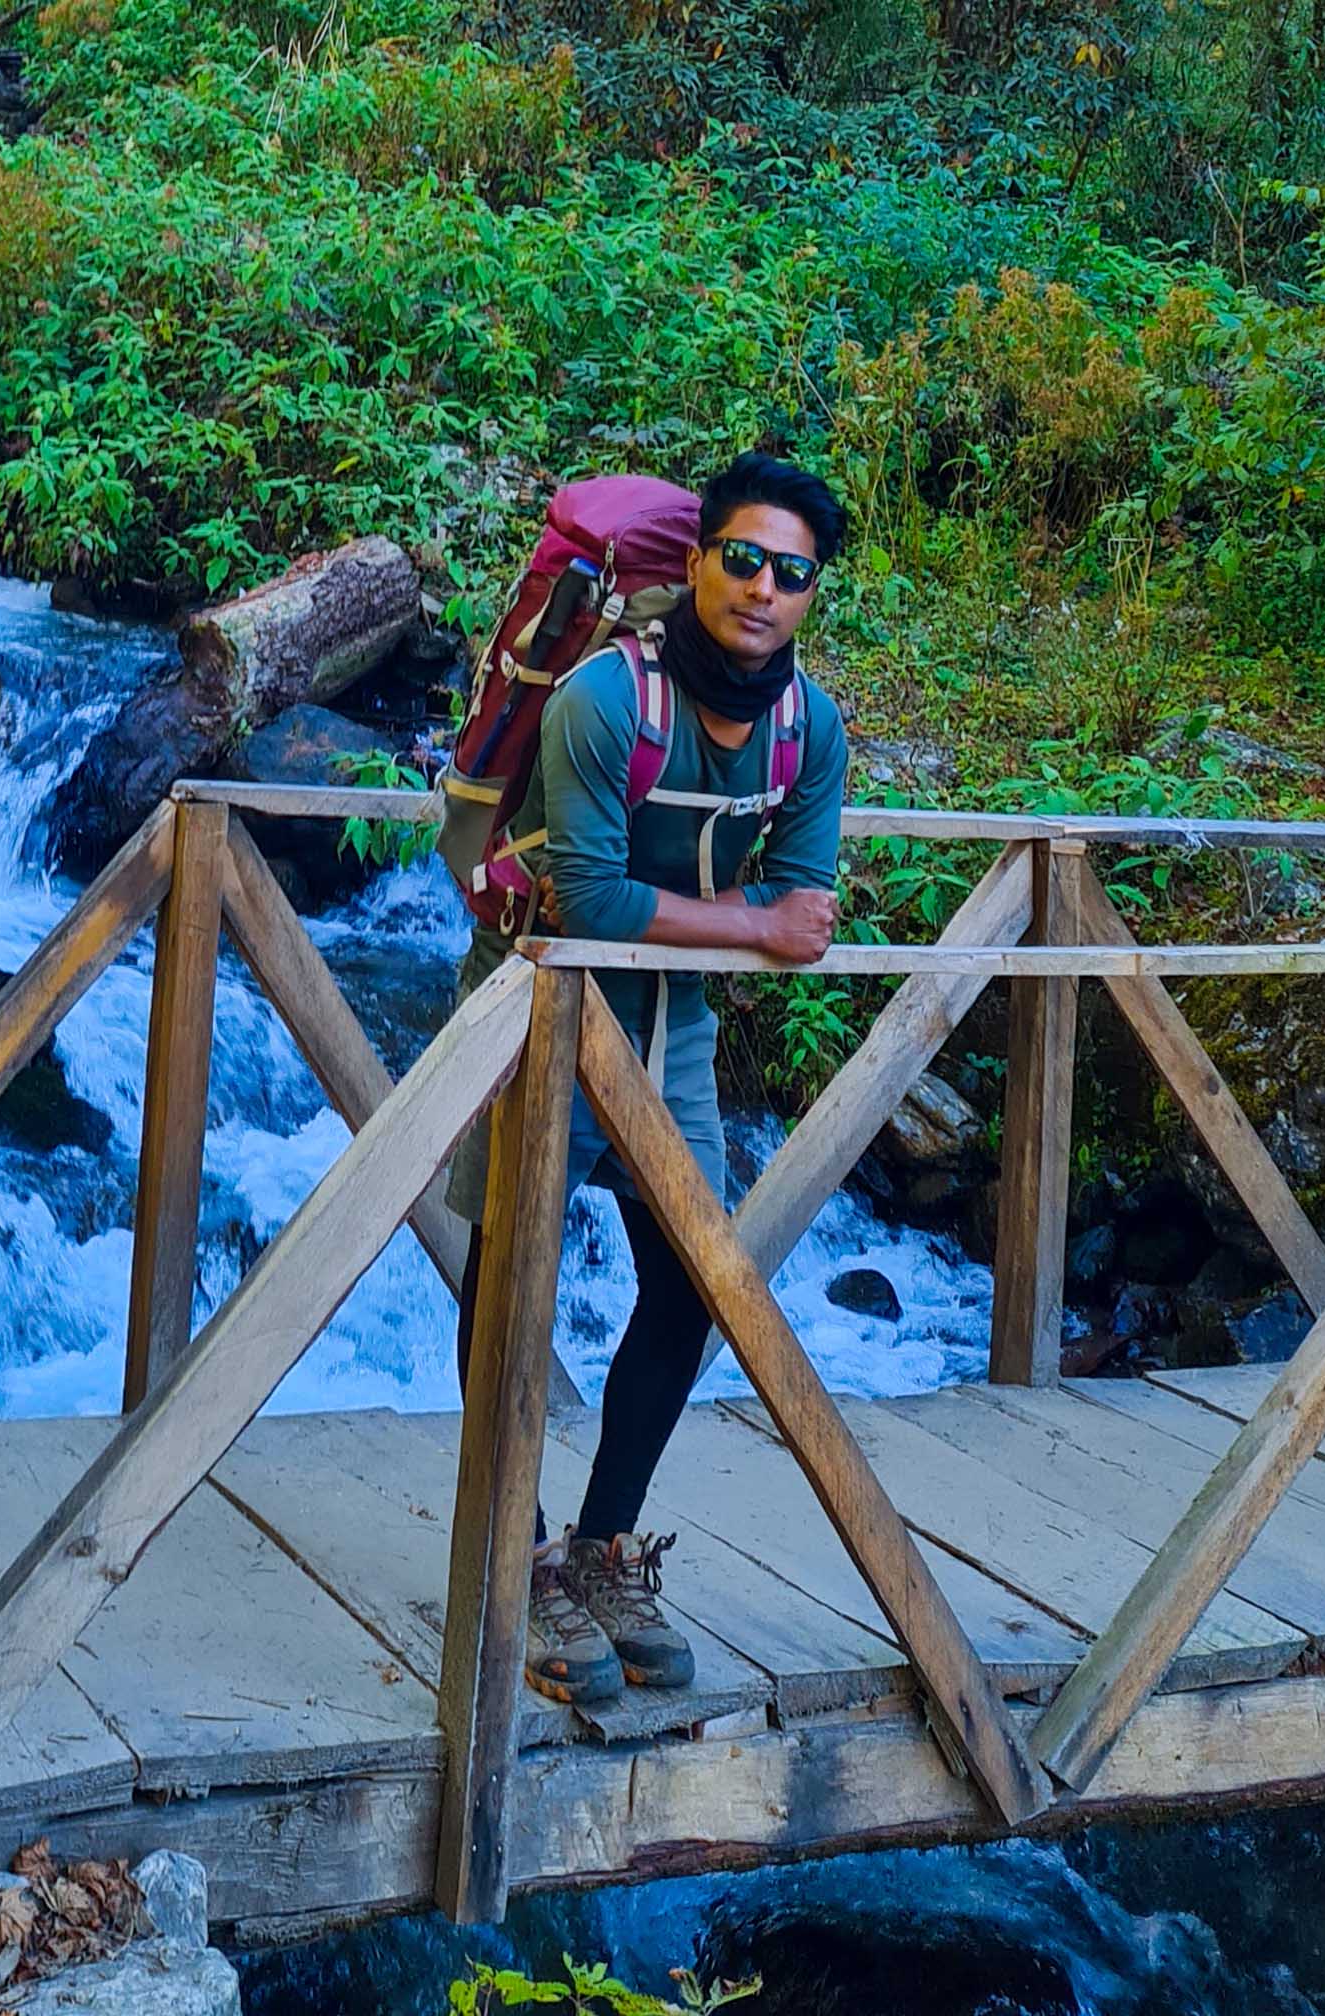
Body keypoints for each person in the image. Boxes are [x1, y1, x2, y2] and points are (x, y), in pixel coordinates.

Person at [446, 451, 848, 1705]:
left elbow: (812, 905)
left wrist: (758, 924)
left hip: (669, 1028)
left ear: (810, 593)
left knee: (692, 1282)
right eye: (742, 559)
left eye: (792, 572)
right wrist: (749, 922)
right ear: (695, 562)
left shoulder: (808, 727)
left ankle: (603, 1548)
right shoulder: (606, 702)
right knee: (516, 1267)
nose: (763, 589)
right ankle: (509, 1549)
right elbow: (594, 896)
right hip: (541, 1007)